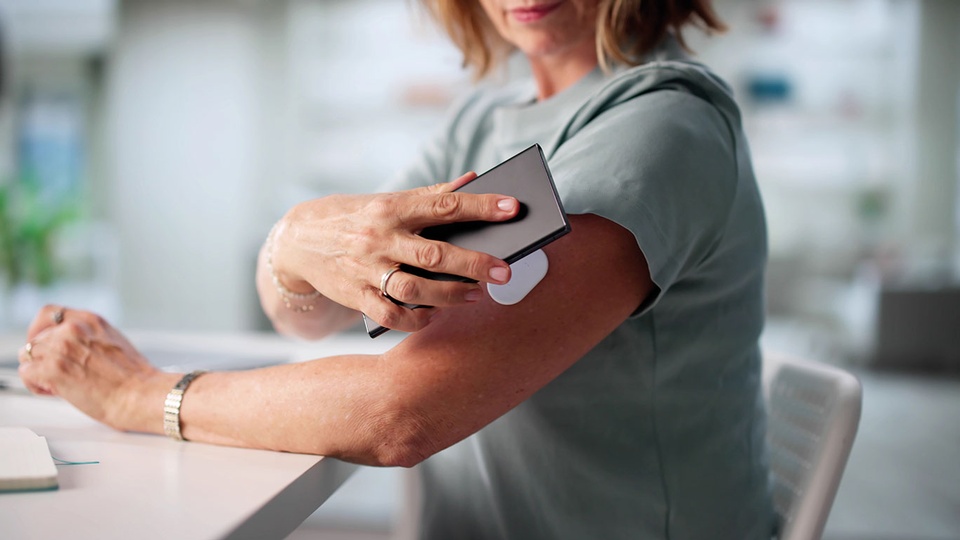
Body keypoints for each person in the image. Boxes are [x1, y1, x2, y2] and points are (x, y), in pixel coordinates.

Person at [19, 0, 775, 538]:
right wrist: (295, 242)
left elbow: (401, 414)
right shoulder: (485, 118)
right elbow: (308, 315)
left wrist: (139, 395)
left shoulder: (661, 129)